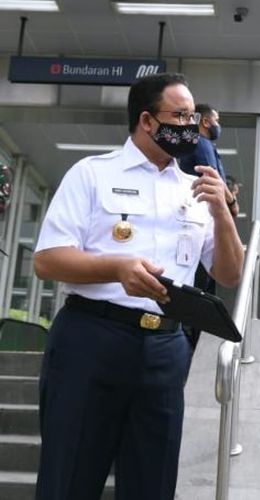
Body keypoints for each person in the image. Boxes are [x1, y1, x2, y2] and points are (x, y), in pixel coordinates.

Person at [32, 73, 244, 500]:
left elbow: (229, 274)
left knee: (153, 484)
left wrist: (222, 214)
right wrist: (117, 268)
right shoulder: (92, 174)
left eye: (192, 116)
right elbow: (46, 260)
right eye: (180, 116)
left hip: (165, 350)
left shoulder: (196, 190)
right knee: (69, 478)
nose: (190, 125)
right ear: (147, 121)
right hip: (92, 340)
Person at [177, 103, 239, 358]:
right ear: (203, 121)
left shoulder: (201, 144)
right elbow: (213, 179)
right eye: (216, 118)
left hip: (199, 215)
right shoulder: (200, 143)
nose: (217, 124)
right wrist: (231, 204)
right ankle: (189, 339)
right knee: (200, 289)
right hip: (200, 217)